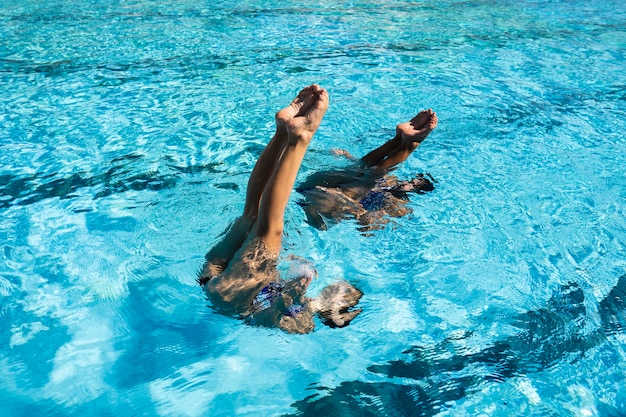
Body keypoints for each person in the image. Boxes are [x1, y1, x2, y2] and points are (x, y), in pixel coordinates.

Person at [198, 85, 362, 334]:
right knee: (252, 213)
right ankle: (281, 134)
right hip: (213, 278)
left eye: (345, 293)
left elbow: (271, 316)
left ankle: (299, 137)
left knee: (269, 227)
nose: (340, 285)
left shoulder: (304, 324)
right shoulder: (306, 305)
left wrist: (291, 296)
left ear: (337, 311)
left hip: (237, 295)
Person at [296, 109, 438, 231]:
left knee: (364, 179)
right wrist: (347, 156)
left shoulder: (399, 206)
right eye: (411, 181)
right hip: (311, 192)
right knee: (361, 169)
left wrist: (356, 210)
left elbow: (366, 229)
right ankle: (399, 140)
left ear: (415, 193)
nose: (406, 184)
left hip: (319, 210)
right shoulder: (390, 182)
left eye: (412, 186)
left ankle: (408, 143)